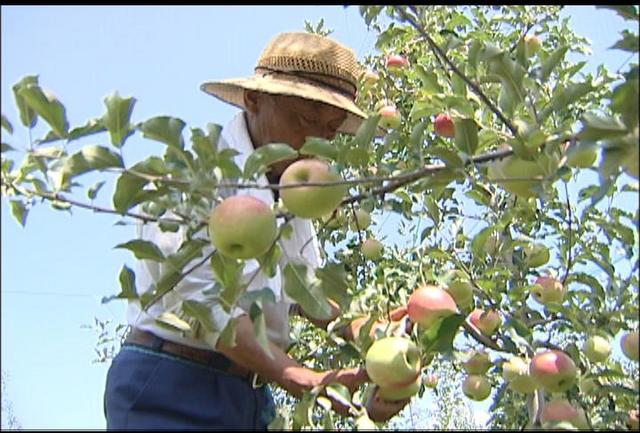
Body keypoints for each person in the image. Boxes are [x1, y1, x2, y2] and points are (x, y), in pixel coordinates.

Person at [104, 31, 410, 430]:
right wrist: (306, 379)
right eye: (305, 120)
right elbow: (208, 306)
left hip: (246, 396)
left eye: (332, 130)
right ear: (254, 99)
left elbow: (306, 290)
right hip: (172, 381)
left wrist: (372, 331)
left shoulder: (292, 190)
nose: (317, 142)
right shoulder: (197, 174)